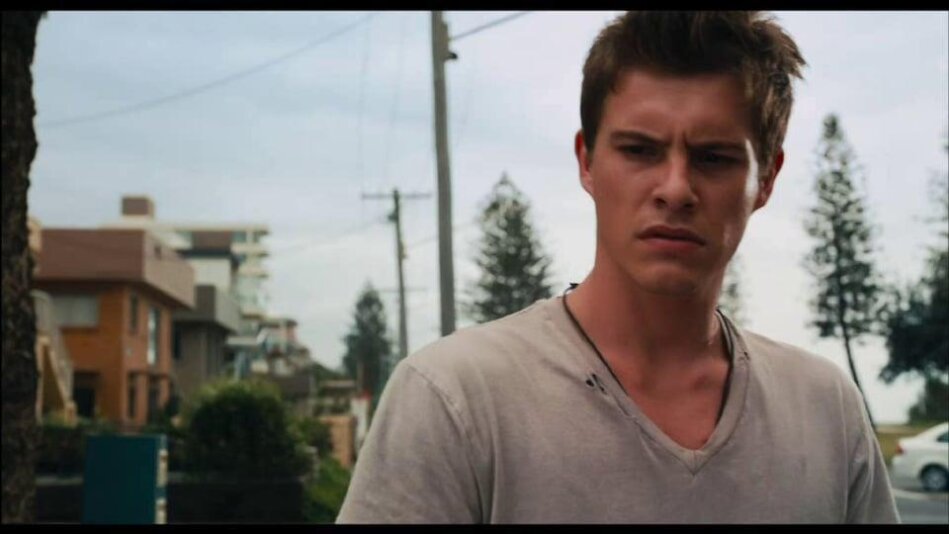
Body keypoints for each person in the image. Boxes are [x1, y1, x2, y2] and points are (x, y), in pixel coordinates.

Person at [337, 11, 900, 524]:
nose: (675, 189)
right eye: (639, 150)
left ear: (767, 180)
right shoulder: (454, 400)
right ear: (587, 160)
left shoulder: (826, 411)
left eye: (713, 158)